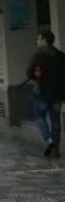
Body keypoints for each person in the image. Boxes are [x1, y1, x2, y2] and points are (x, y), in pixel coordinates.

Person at [27, 29, 65, 157]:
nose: (37, 41)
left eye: (38, 38)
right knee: (56, 120)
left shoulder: (37, 56)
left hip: (42, 92)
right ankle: (56, 149)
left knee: (39, 117)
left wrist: (36, 76)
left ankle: (49, 140)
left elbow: (29, 73)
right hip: (58, 95)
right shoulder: (61, 56)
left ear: (44, 40)